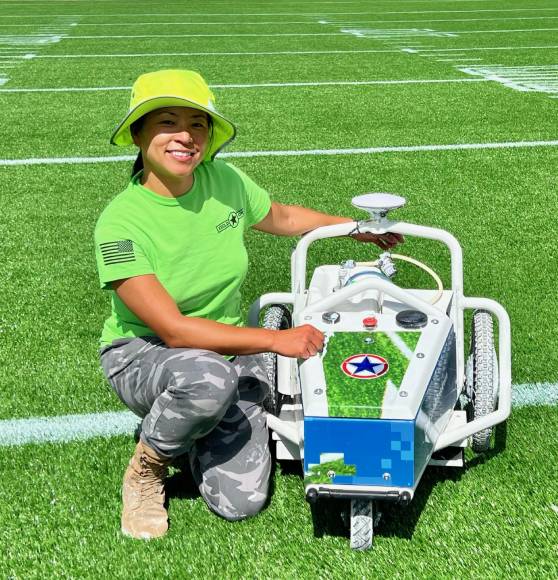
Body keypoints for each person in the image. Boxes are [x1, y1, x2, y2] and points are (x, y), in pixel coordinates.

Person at [95, 69, 402, 540]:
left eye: (197, 125)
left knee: (241, 502)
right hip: (145, 353)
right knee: (207, 378)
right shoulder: (120, 223)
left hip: (226, 345)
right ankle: (148, 468)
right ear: (138, 134)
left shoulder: (223, 180)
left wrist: (355, 227)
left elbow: (279, 216)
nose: (185, 137)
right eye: (167, 123)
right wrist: (275, 340)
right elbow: (174, 331)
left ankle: (196, 425)